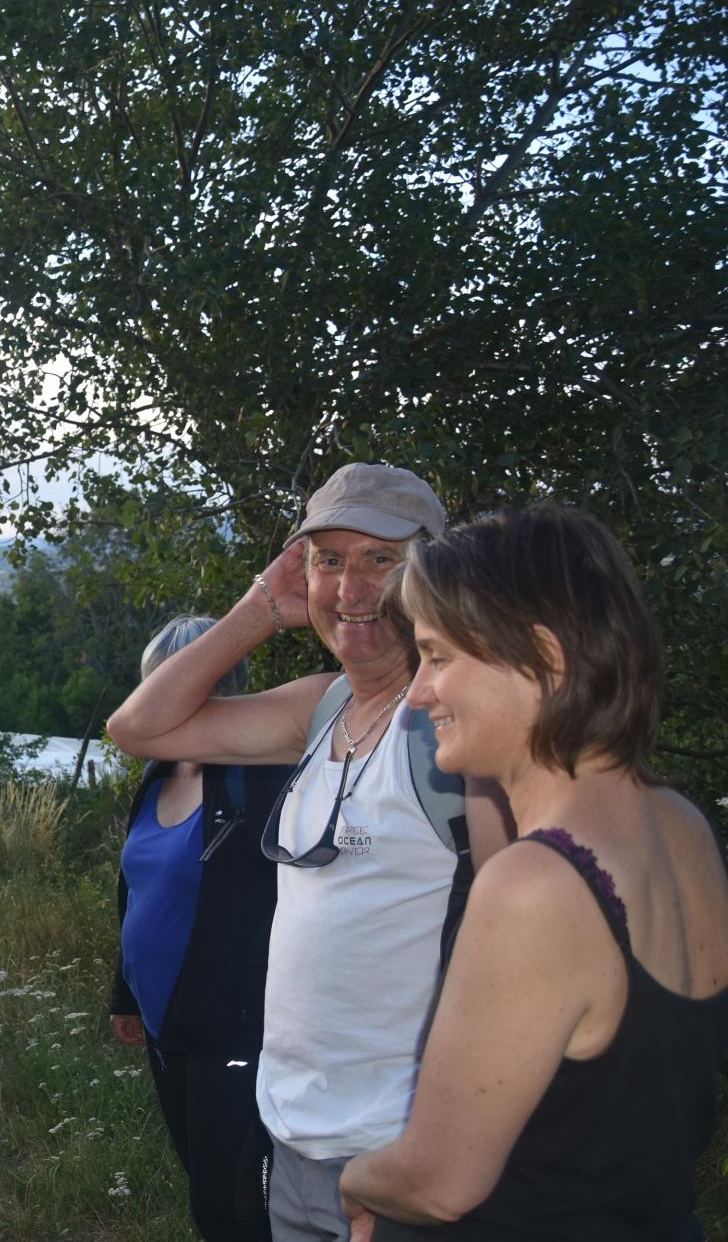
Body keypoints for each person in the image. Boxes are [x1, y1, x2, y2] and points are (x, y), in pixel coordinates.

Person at [106, 462, 512, 1242]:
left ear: (434, 572)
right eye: (328, 559)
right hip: (291, 1135)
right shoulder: (320, 708)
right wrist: (261, 608)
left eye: (380, 559)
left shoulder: (454, 729)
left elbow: (522, 957)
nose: (350, 587)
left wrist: (426, 1166)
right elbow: (140, 728)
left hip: (400, 1155)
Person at [334, 505, 728, 1240]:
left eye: (439, 657)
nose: (419, 692)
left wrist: (356, 1180)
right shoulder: (683, 827)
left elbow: (441, 1181)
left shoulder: (536, 884)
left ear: (544, 662)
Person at [109, 616, 294, 1241]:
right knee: (202, 1181)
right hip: (166, 1027)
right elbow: (137, 891)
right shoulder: (155, 775)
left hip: (231, 1030)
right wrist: (125, 995)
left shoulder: (261, 780)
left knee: (233, 1206)